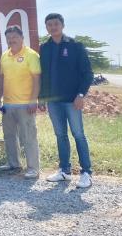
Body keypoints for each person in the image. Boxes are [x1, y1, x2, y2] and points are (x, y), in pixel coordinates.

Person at [39, 13, 94, 188]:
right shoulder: (45, 48)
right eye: (49, 25)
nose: (53, 27)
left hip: (72, 100)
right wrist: (42, 97)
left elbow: (87, 73)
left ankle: (86, 172)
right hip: (53, 101)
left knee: (78, 134)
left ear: (62, 25)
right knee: (60, 135)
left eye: (56, 24)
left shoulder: (75, 46)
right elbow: (44, 75)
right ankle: (64, 171)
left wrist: (80, 95)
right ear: (46, 27)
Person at [0, 26, 41, 179]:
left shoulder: (31, 55)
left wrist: (33, 100)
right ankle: (13, 163)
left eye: (14, 37)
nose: (11, 40)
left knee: (28, 136)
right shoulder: (4, 55)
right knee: (9, 135)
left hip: (25, 103)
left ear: (22, 37)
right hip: (8, 104)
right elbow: (1, 79)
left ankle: (33, 168)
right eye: (9, 38)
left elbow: (36, 79)